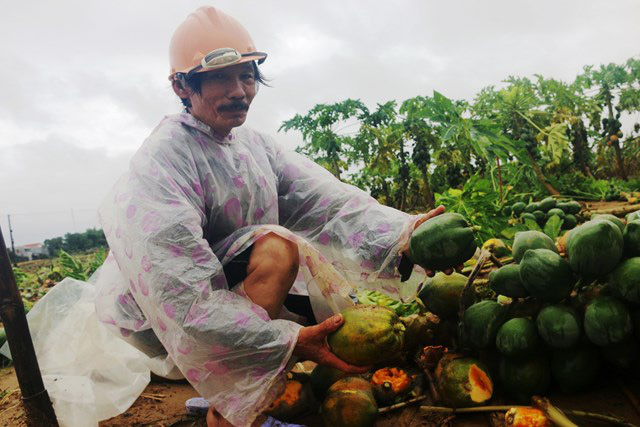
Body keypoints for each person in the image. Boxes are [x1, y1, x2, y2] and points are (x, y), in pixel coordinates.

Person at [94, 6, 451, 427]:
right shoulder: (164, 159)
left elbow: (329, 204)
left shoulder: (255, 148)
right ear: (181, 86)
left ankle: (234, 394)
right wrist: (278, 341)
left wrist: (403, 233)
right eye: (222, 78)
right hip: (160, 309)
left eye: (247, 76)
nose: (239, 90)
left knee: (311, 294)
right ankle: (227, 414)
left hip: (222, 291)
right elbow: (179, 290)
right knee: (278, 250)